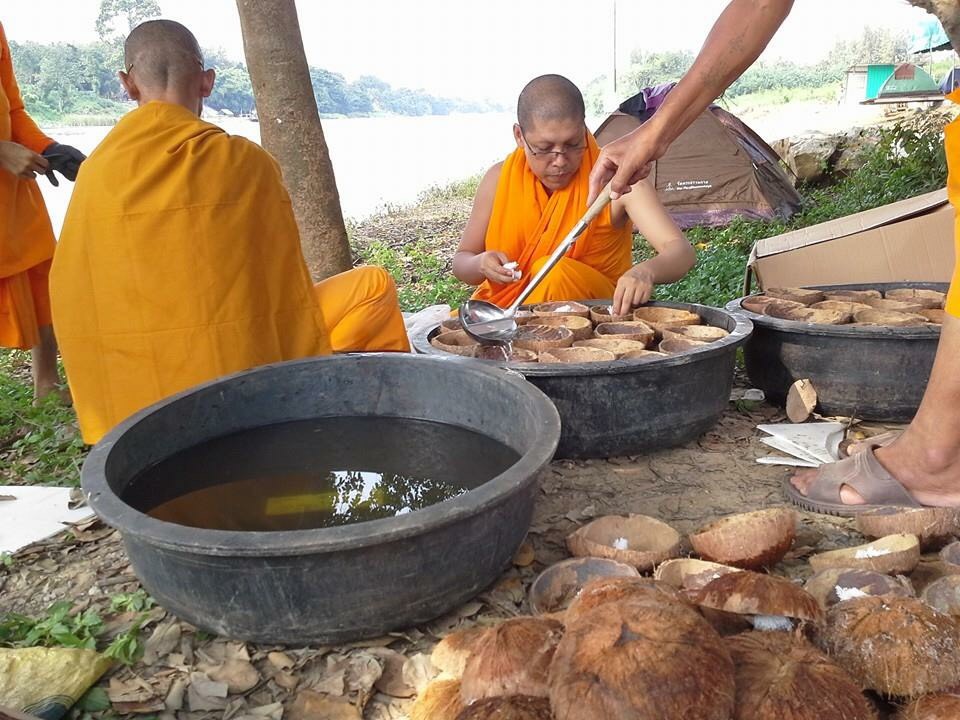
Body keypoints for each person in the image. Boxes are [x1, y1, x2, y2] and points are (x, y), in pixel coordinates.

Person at [587, 0, 960, 513]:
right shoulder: (504, 180)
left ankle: (937, 457)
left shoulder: (621, 190)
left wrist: (655, 137)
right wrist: (654, 133)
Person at [50, 19, 409, 446]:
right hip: (238, 375)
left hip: (129, 398)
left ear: (128, 85)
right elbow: (281, 286)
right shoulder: (244, 162)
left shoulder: (95, 173)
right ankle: (375, 420)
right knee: (373, 284)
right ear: (207, 82)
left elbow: (72, 289)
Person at [453, 74, 695, 317]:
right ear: (519, 136)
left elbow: (680, 251)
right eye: (544, 149)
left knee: (555, 274)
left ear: (584, 130)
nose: (559, 161)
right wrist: (480, 264)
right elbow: (462, 260)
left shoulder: (617, 180)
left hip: (592, 317)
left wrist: (645, 272)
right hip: (505, 314)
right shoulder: (499, 179)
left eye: (572, 144)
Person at [0, 20, 85, 400]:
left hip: (12, 183)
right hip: (6, 161)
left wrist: (48, 148)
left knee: (41, 272)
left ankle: (46, 384)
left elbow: (13, 108)